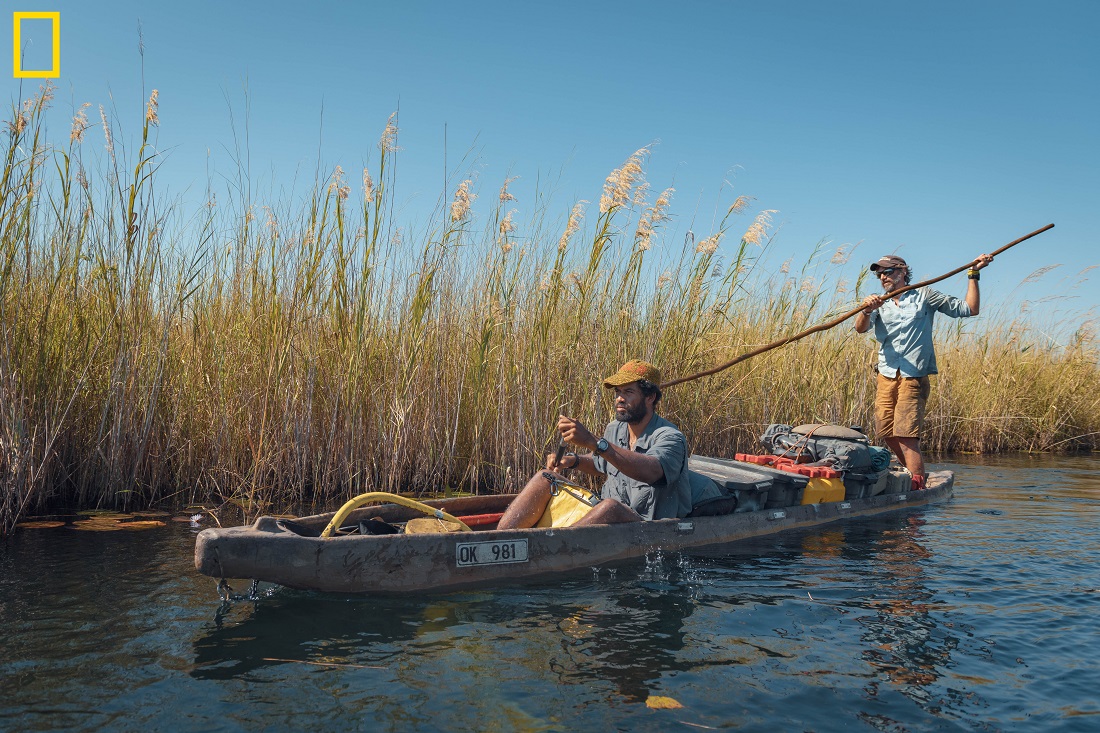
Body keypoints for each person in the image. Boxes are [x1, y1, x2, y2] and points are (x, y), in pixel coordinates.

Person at [497, 359, 694, 529]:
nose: (619, 399)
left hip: (646, 526)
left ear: (650, 397)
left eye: (628, 392)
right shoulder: (615, 429)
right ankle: (499, 541)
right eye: (617, 392)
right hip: (607, 514)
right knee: (545, 477)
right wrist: (573, 460)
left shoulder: (670, 437)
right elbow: (601, 462)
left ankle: (556, 546)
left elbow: (651, 471)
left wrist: (593, 442)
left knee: (610, 507)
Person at [854, 252, 994, 489]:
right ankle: (912, 472)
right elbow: (860, 329)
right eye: (880, 274)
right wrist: (866, 310)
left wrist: (973, 274)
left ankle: (916, 487)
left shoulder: (925, 295)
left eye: (887, 272)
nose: (883, 277)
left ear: (903, 272)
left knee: (906, 433)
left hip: (914, 374)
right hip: (886, 373)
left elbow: (970, 309)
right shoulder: (880, 302)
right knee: (886, 431)